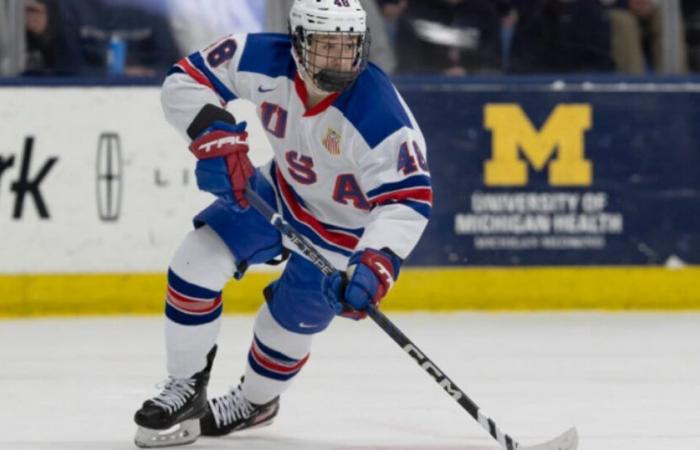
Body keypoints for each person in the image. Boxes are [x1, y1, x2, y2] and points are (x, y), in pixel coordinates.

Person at [132, 0, 432, 447]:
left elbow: (408, 198)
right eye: (327, 47)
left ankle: (255, 404)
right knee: (194, 262)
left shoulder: (380, 114)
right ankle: (185, 387)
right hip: (278, 192)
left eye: (349, 47)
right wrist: (211, 132)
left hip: (344, 233)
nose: (340, 60)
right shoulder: (260, 57)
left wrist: (376, 262)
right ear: (298, 43)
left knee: (282, 328)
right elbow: (185, 79)